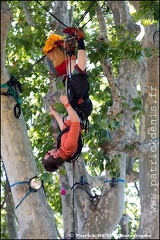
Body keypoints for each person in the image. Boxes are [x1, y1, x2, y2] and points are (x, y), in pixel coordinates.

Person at [42, 27, 93, 172]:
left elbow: (64, 128)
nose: (48, 152)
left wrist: (56, 114)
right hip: (80, 107)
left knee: (71, 78)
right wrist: (66, 104)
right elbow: (75, 122)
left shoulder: (62, 148)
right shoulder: (68, 147)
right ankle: (80, 38)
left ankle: (71, 51)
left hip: (74, 107)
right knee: (78, 74)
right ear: (55, 156)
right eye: (48, 154)